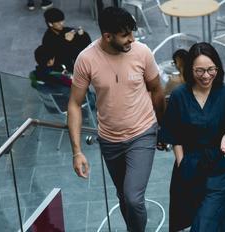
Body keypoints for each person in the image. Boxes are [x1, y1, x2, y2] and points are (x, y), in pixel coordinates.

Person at [67, 7, 165, 232]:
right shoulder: (86, 60)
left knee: (133, 198)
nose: (132, 38)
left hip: (142, 133)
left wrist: (164, 128)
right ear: (107, 36)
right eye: (125, 35)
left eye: (132, 32)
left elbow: (157, 90)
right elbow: (74, 103)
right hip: (109, 141)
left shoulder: (142, 52)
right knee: (123, 195)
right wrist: (77, 151)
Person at [160, 42, 225, 232]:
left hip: (221, 167)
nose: (206, 75)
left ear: (218, 68)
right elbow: (173, 132)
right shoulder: (179, 95)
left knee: (205, 224)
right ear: (190, 69)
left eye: (211, 69)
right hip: (190, 166)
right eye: (199, 71)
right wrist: (181, 161)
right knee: (195, 219)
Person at [42, 8, 91, 73]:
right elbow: (56, 58)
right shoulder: (47, 39)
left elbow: (86, 45)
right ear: (50, 24)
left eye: (62, 21)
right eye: (58, 22)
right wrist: (66, 41)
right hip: (61, 71)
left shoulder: (66, 31)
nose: (62, 23)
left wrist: (82, 35)